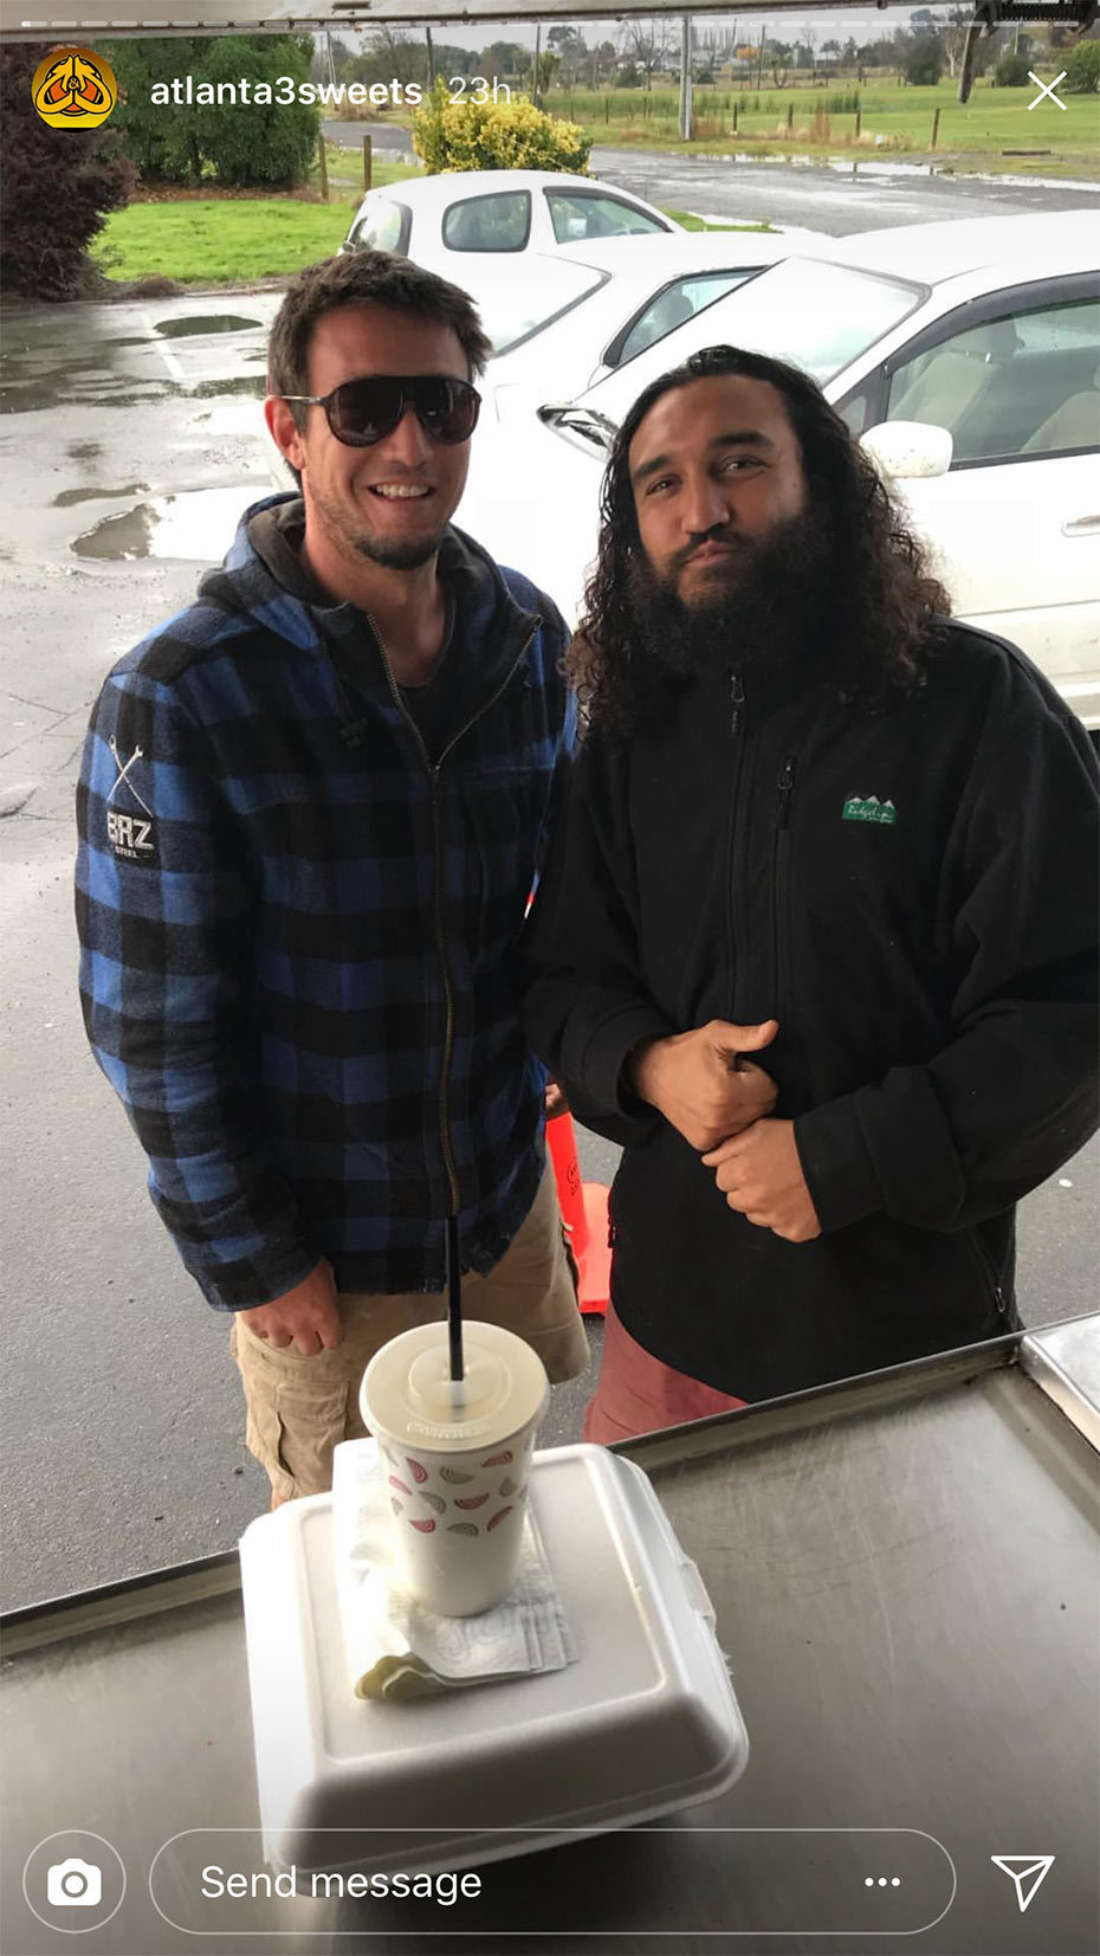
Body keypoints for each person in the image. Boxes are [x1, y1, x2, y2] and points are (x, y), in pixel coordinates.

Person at [76, 252, 587, 1505]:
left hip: (502, 1207)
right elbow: (151, 1028)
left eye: (443, 405)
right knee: (363, 1577)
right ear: (288, 433)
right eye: (362, 410)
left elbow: (563, 898)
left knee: (513, 1512)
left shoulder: (525, 638)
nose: (407, 442)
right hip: (324, 1261)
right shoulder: (181, 696)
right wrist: (252, 1254)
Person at [522, 344, 1099, 1443]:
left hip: (901, 1347)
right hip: (666, 1335)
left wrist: (843, 1159)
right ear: (633, 528)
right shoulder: (634, 730)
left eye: (738, 464)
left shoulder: (975, 711)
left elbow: (1068, 1013)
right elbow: (561, 977)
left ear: (818, 482)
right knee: (654, 1604)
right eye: (661, 483)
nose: (702, 509)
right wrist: (648, 1064)